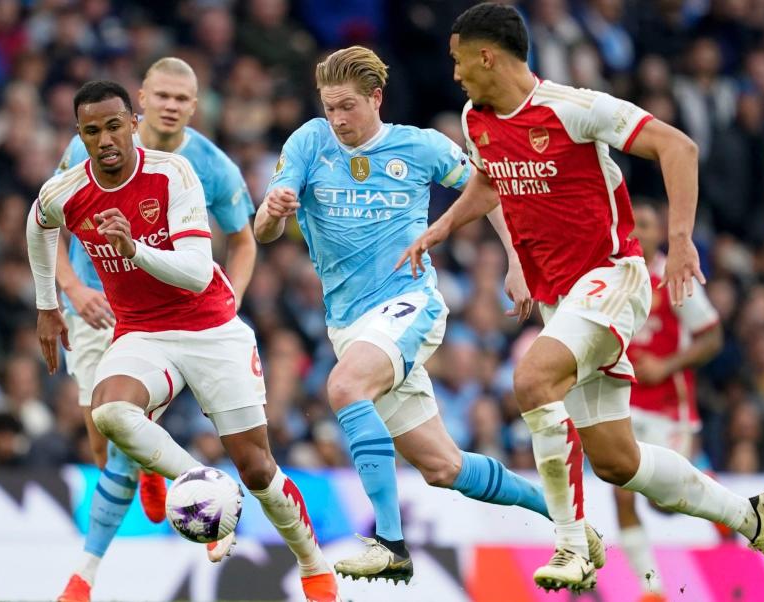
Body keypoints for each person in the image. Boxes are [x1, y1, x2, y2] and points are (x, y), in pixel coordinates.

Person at [399, 3, 764, 593]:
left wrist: (682, 243)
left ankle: (571, 542)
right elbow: (491, 179)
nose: (453, 73)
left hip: (613, 277)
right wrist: (443, 229)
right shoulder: (475, 117)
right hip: (565, 298)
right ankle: (752, 516)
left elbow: (678, 148)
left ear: (488, 55)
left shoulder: (574, 107)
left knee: (532, 380)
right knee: (617, 461)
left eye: (459, 59)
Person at [255, 46, 604, 585]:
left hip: (410, 303)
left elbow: (490, 191)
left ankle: (389, 543)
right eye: (329, 108)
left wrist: (517, 260)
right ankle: (569, 523)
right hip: (349, 324)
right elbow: (263, 231)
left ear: (376, 98)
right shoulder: (308, 142)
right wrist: (272, 212)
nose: (338, 119)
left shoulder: (419, 148)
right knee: (444, 468)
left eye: (347, 106)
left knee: (346, 388)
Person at [27, 80, 339, 602]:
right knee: (108, 413)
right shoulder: (65, 190)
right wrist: (47, 305)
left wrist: (133, 248)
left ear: (132, 123)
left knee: (258, 467)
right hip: (141, 331)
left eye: (111, 126)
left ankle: (314, 566)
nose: (103, 140)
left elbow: (196, 272)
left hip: (210, 327)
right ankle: (194, 479)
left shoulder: (175, 172)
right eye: (90, 131)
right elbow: (37, 227)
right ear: (79, 135)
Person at [52, 58, 257, 602]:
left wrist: (229, 300)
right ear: (141, 99)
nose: (170, 105)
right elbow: (45, 224)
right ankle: (150, 469)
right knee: (102, 439)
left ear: (195, 106)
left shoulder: (211, 167)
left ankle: (84, 575)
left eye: (182, 98)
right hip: (96, 306)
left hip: (165, 319)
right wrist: (72, 290)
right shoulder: (92, 147)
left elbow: (244, 238)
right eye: (161, 95)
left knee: (120, 432)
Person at [615, 199, 725, 601]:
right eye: (631, 224)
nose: (636, 232)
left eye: (644, 224)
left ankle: (720, 497)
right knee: (622, 493)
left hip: (668, 406)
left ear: (660, 234)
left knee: (665, 501)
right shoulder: (613, 277)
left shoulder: (675, 278)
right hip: (624, 405)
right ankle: (651, 592)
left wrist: (666, 365)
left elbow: (713, 337)